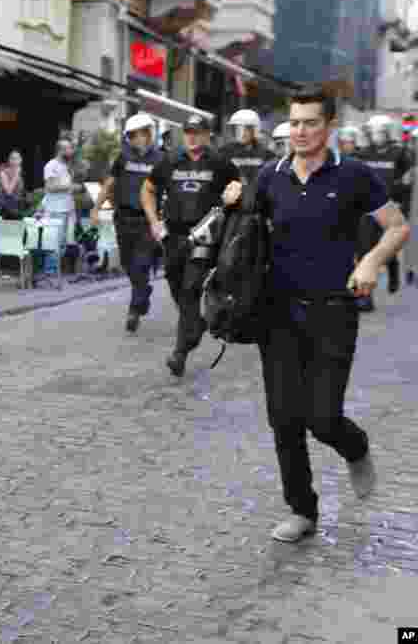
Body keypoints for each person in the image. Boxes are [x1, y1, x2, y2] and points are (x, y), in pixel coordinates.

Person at [222, 85, 409, 543]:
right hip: (278, 312)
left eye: (310, 123)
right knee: (284, 417)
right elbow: (243, 229)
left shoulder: (355, 175)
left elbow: (398, 226)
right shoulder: (270, 176)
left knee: (322, 417)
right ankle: (302, 511)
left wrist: (370, 261)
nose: (301, 131)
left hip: (333, 312)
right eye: (295, 123)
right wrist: (232, 199)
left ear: (328, 127)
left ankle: (355, 446)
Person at [141, 114, 242, 377]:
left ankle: (180, 352)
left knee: (190, 289)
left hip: (205, 236)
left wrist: (231, 205)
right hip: (173, 236)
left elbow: (237, 190)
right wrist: (153, 221)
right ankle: (195, 325)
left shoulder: (220, 163)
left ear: (207, 134)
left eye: (197, 132)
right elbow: (148, 189)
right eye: (188, 132)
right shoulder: (170, 161)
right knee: (176, 287)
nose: (192, 137)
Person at [92, 113, 165, 333]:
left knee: (141, 263)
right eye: (131, 135)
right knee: (127, 264)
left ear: (148, 133)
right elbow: (109, 184)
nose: (135, 139)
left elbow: (170, 188)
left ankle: (135, 308)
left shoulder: (161, 159)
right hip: (123, 219)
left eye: (139, 134)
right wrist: (96, 208)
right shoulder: (123, 157)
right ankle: (142, 292)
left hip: (147, 221)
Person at [356, 114, 414, 307]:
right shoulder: (364, 153)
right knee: (365, 249)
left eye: (378, 132)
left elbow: (406, 183)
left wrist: (401, 204)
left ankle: (393, 267)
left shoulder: (399, 153)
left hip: (389, 207)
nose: (375, 136)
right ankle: (365, 297)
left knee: (385, 247)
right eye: (372, 132)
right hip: (367, 209)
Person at [40, 136, 80, 277]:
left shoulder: (66, 167)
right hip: (55, 209)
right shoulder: (51, 166)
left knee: (63, 243)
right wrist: (69, 186)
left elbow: (66, 189)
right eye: (68, 149)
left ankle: (54, 271)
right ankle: (50, 272)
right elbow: (50, 186)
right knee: (53, 242)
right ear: (60, 150)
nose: (71, 151)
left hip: (67, 208)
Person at [219, 109, 277, 187]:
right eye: (237, 129)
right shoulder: (224, 152)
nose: (242, 133)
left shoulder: (267, 155)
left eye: (246, 129)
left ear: (255, 130)